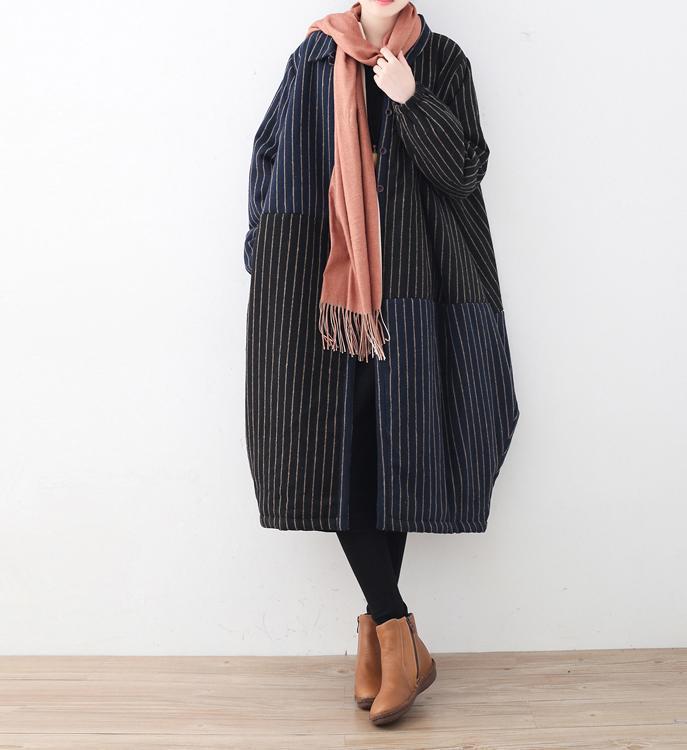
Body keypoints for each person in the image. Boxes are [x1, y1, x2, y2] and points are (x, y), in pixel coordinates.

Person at [243, 0, 519, 726]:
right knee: (331, 450)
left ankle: (381, 643)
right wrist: (264, 252)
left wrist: (411, 98)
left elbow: (465, 171)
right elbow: (269, 155)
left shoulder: (442, 60)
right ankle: (395, 635)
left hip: (419, 284)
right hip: (319, 284)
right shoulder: (312, 58)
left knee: (388, 453)